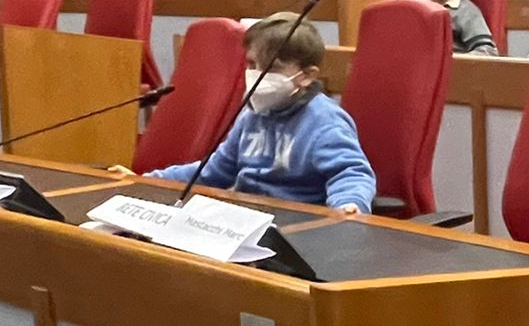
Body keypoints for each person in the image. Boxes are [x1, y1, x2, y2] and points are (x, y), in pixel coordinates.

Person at [136, 12, 376, 213]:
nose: (257, 75)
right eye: (252, 64)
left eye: (272, 68)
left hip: (295, 224)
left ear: (306, 76)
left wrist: (349, 205)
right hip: (245, 216)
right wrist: (146, 181)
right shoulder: (251, 115)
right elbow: (214, 170)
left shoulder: (325, 121)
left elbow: (350, 173)